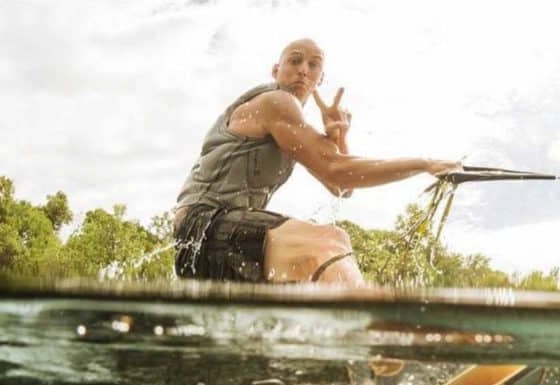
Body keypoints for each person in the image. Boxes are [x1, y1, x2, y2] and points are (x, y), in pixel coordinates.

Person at [173, 38, 460, 285]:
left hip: (223, 242)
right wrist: (424, 163)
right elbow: (338, 173)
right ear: (276, 70)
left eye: (313, 65)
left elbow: (341, 190)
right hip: (202, 228)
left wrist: (338, 137)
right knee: (329, 241)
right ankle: (373, 337)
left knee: (313, 285)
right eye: (295, 61)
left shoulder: (292, 123)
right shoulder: (274, 103)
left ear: (320, 79)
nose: (303, 70)